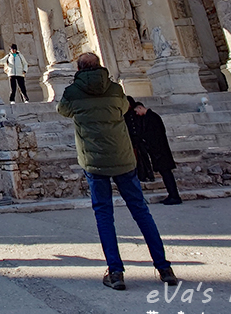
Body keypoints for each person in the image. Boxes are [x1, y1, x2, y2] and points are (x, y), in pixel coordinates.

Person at [58, 52, 178, 291]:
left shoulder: (73, 92)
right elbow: (124, 108)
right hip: (123, 159)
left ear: (79, 69)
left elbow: (64, 111)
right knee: (141, 212)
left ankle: (115, 272)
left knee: (104, 216)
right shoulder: (115, 89)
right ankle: (164, 268)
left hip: (94, 160)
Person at [129, 98, 182, 205]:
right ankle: (172, 195)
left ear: (140, 108)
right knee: (165, 174)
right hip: (158, 151)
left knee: (167, 174)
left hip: (160, 151)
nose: (137, 114)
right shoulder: (150, 117)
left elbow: (155, 134)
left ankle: (174, 196)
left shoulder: (152, 118)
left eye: (136, 111)